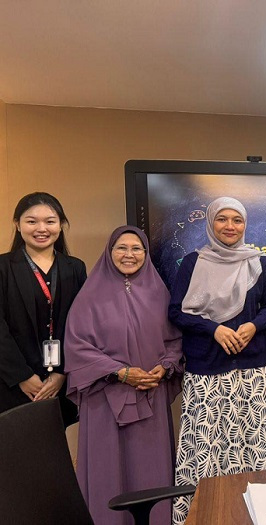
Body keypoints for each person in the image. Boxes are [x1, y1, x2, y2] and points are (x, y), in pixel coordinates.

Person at [169, 197, 266, 524]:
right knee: (205, 446)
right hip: (207, 368)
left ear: (245, 224)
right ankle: (204, 514)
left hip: (252, 368)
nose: (230, 226)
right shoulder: (193, 262)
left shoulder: (258, 261)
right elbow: (176, 312)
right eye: (222, 219)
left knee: (254, 442)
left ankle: (259, 512)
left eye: (237, 220)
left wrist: (254, 325)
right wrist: (213, 329)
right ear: (211, 223)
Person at [64, 226, 183, 525]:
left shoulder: (159, 293)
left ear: (145, 253)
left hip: (150, 395)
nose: (129, 255)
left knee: (150, 470)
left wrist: (165, 366)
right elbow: (77, 346)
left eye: (136, 248)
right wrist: (120, 372)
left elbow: (175, 340)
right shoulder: (89, 296)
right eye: (121, 248)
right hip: (105, 400)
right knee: (108, 470)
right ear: (109, 252)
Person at [0, 192, 86, 427]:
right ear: (17, 225)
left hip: (59, 382)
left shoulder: (75, 268)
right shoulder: (4, 267)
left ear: (61, 224)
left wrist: (62, 373)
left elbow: (81, 325)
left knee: (54, 442)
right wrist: (23, 376)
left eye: (50, 221)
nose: (41, 228)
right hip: (12, 382)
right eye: (31, 221)